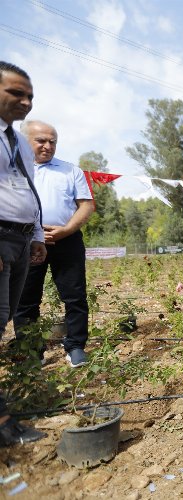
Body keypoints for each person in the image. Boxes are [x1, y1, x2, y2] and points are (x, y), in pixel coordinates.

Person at [13, 120, 94, 368]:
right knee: (25, 300)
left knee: (75, 296)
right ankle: (31, 351)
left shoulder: (71, 171)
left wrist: (66, 230)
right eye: (41, 141)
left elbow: (87, 205)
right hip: (25, 243)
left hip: (66, 241)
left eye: (53, 141)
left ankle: (76, 346)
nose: (48, 146)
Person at [0, 61, 47, 446]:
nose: (26, 101)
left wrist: (36, 235)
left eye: (29, 95)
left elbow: (26, 191)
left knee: (3, 322)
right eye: (16, 93)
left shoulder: (17, 142)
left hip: (18, 239)